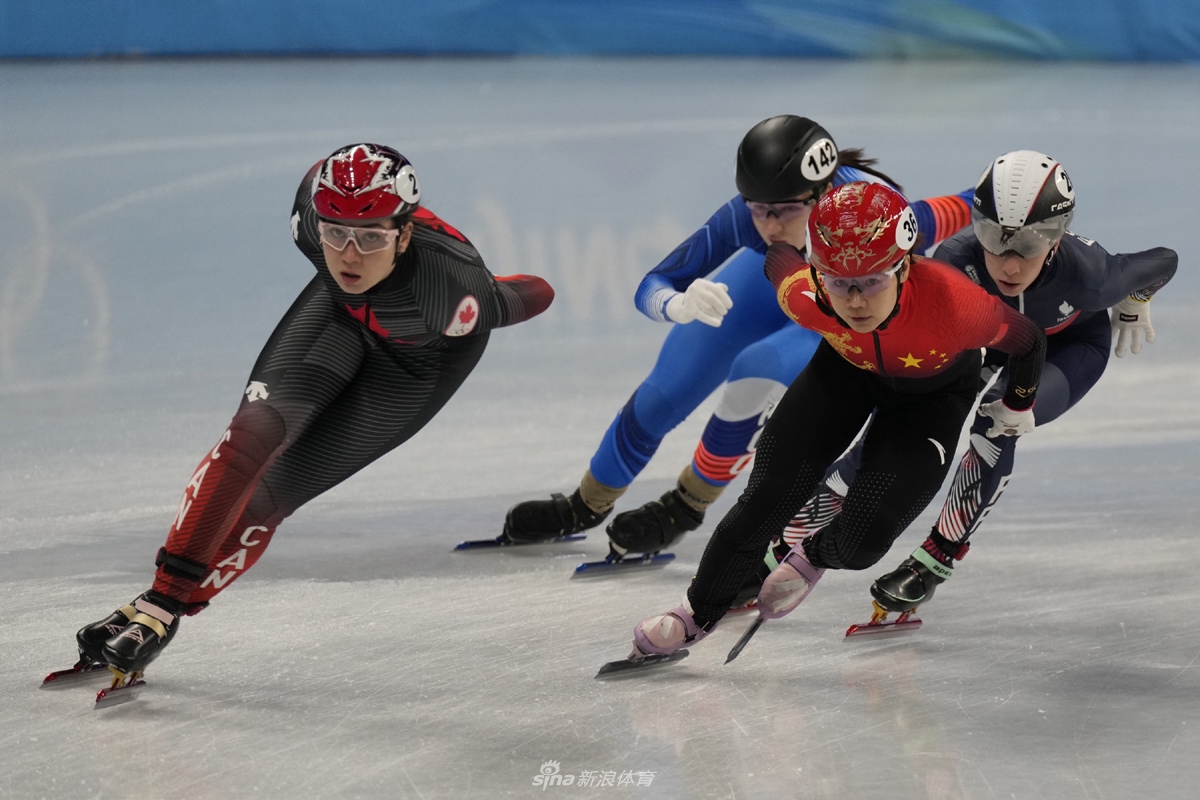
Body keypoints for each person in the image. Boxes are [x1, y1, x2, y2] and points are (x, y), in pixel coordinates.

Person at [71, 143, 554, 686]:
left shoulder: (452, 290)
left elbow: (538, 293)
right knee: (249, 438)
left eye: (371, 237)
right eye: (336, 234)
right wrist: (167, 595)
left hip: (415, 370)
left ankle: (168, 607)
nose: (349, 254)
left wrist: (481, 304)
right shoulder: (310, 216)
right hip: (339, 317)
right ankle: (158, 604)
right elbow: (334, 213)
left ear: (405, 232)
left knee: (272, 493)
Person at [503, 115, 973, 560]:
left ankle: (688, 502)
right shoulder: (751, 218)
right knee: (668, 387)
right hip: (777, 278)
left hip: (848, 306)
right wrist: (678, 304)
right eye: (759, 210)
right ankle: (588, 501)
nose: (769, 225)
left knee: (759, 369)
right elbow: (653, 284)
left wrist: (1004, 203)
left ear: (822, 193)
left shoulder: (872, 214)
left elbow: (950, 211)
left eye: (785, 211)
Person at [625, 181, 1049, 660]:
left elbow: (1030, 341)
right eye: (839, 282)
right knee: (764, 500)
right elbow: (778, 256)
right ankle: (695, 614)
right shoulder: (804, 293)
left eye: (872, 281)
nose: (855, 301)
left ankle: (812, 556)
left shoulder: (956, 305)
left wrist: (1016, 405)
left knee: (863, 543)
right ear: (818, 274)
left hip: (931, 399)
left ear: (905, 265)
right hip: (843, 375)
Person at [774, 150, 1176, 623]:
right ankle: (789, 538)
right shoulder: (955, 260)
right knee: (898, 426)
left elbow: (1162, 260)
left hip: (1067, 350)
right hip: (987, 341)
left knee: (995, 423)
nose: (1008, 263)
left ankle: (936, 557)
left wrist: (1134, 300)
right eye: (993, 237)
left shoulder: (1089, 277)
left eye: (1030, 244)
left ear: (1058, 236)